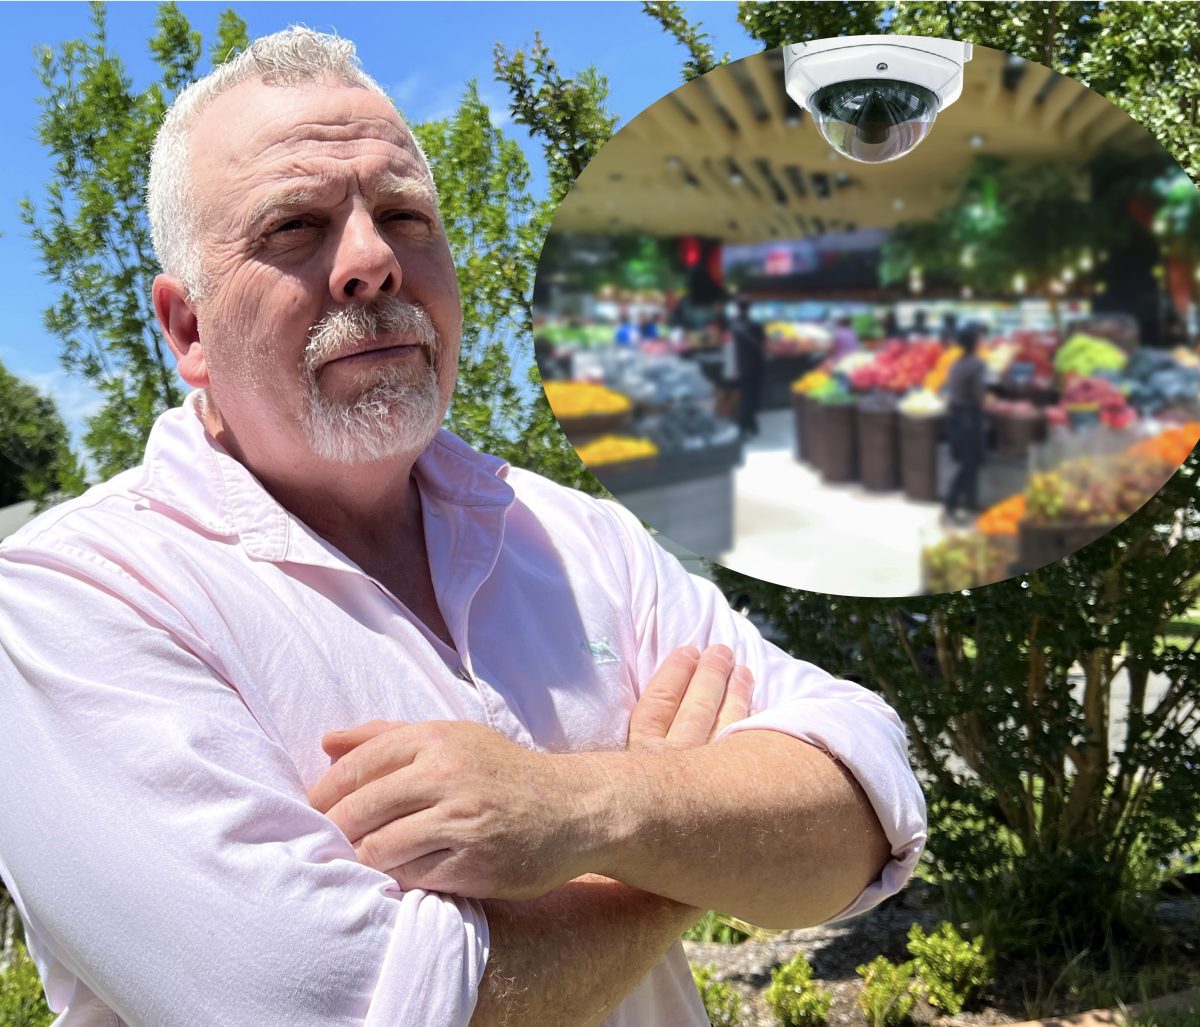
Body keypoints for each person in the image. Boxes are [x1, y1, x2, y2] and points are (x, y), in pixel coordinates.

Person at [0, 29, 926, 1026]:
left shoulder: (580, 539)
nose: (371, 262)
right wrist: (683, 835)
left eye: (404, 216)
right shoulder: (68, 600)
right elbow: (331, 1005)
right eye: (295, 228)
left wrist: (583, 808)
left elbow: (862, 810)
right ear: (187, 330)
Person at [943, 323, 989, 522]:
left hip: (955, 416)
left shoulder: (955, 364)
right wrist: (990, 401)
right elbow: (979, 396)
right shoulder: (977, 364)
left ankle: (970, 504)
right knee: (969, 464)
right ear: (975, 342)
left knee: (968, 462)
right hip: (970, 418)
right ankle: (951, 503)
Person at [729, 296, 767, 439]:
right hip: (755, 367)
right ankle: (744, 427)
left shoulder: (732, 326)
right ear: (749, 308)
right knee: (750, 398)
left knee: (745, 397)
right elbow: (764, 346)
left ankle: (751, 425)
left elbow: (728, 348)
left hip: (738, 367)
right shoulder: (756, 325)